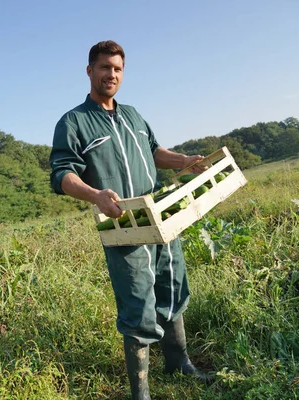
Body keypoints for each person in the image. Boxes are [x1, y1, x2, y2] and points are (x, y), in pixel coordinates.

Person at [49, 40, 211, 399]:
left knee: (172, 283)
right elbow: (63, 175)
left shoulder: (134, 115)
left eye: (117, 69)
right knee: (137, 300)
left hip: (160, 216)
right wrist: (95, 195)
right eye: (105, 67)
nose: (111, 74)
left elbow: (155, 152)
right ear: (89, 71)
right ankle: (141, 392)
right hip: (122, 224)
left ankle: (179, 362)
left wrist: (184, 160)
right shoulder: (74, 121)